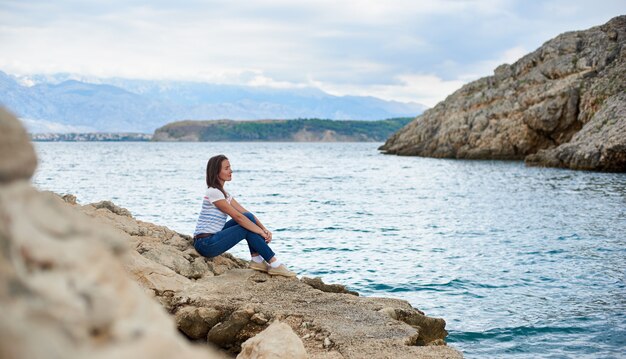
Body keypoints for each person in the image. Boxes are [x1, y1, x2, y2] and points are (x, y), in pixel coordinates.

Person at [192, 154, 296, 277]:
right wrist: (260, 233)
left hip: (213, 238)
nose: (231, 171)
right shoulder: (213, 192)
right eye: (226, 168)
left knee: (248, 218)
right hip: (205, 244)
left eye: (230, 167)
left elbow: (245, 213)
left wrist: (264, 229)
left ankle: (257, 260)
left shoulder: (224, 193)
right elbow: (238, 218)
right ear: (216, 171)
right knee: (244, 226)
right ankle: (275, 264)